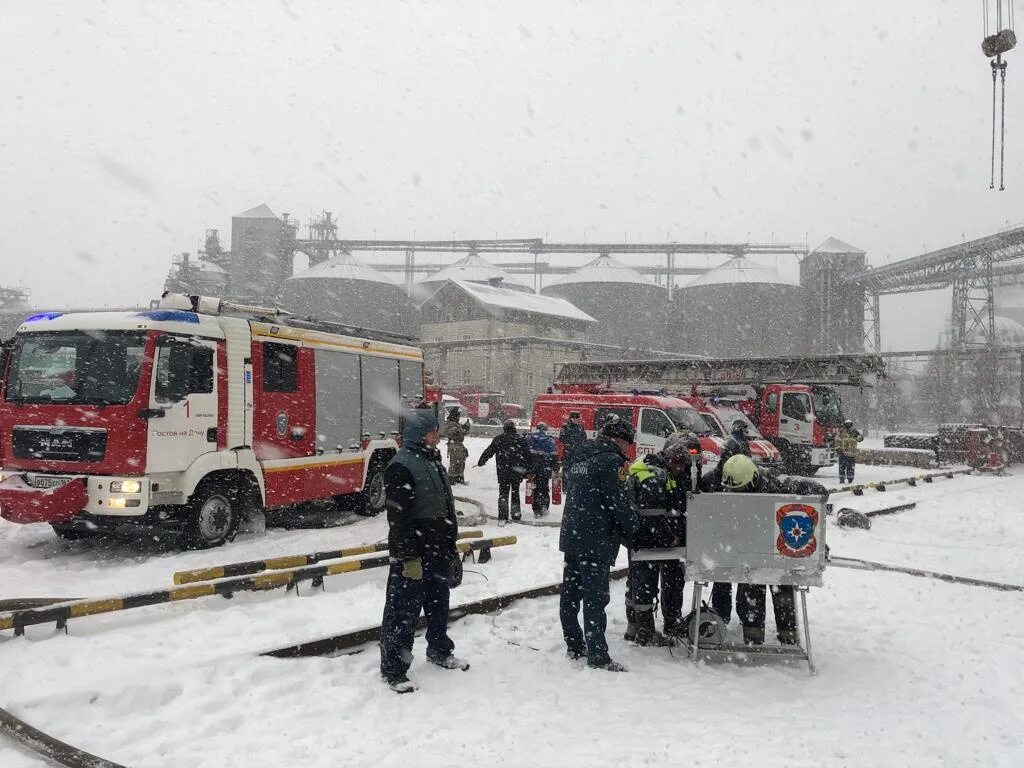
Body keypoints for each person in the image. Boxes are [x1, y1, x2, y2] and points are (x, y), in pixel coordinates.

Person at [379, 410, 467, 694]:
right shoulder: (401, 466)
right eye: (432, 432)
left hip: (437, 550)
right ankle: (394, 668)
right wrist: (408, 557)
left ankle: (439, 650)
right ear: (420, 434)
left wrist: (450, 545)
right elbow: (399, 519)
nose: (437, 436)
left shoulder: (433, 461)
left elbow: (446, 507)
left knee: (438, 605)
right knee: (402, 612)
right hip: (414, 555)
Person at [702, 454, 827, 645]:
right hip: (748, 551)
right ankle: (753, 635)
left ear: (753, 480)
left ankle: (788, 636)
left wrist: (816, 540)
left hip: (777, 551)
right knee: (750, 590)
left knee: (782, 590)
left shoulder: (774, 485)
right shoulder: (727, 485)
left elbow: (817, 494)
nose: (738, 495)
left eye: (741, 490)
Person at [559, 418, 640, 671]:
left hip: (573, 535)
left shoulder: (579, 457)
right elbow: (618, 502)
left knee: (571, 595)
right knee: (595, 598)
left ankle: (574, 644)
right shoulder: (610, 462)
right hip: (596, 539)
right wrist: (634, 527)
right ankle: (597, 654)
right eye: (628, 444)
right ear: (619, 440)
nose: (628, 450)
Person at [624, 433, 692, 646]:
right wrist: (670, 538)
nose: (681, 470)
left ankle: (652, 624)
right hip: (647, 541)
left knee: (664, 581)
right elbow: (652, 516)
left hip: (653, 541)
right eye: (679, 465)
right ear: (670, 460)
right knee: (644, 584)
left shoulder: (663, 472)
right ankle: (643, 630)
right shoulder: (653, 477)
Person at [477, 419, 532, 524]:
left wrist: (481, 461)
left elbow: (489, 451)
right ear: (514, 428)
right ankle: (515, 514)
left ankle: (503, 515)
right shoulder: (520, 439)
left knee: (503, 493)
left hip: (503, 471)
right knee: (515, 492)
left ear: (504, 428)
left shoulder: (499, 439)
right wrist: (529, 470)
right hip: (516, 471)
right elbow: (527, 455)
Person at [526, 422, 559, 517]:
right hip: (545, 468)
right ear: (545, 429)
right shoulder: (549, 440)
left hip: (533, 468)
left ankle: (536, 509)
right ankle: (544, 506)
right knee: (544, 488)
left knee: (535, 488)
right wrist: (555, 466)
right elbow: (554, 455)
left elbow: (525, 453)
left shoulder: (529, 439)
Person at [442, 407, 470, 484]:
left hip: (459, 445)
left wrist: (465, 428)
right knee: (454, 463)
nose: (459, 417)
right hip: (454, 445)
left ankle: (459, 478)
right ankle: (451, 479)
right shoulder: (450, 423)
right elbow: (451, 432)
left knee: (461, 463)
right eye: (458, 416)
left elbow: (462, 433)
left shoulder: (456, 424)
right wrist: (461, 429)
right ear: (454, 416)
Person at [835, 419, 864, 484]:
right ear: (845, 425)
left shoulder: (855, 432)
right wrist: (838, 448)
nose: (848, 426)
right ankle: (842, 480)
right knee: (842, 468)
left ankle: (850, 480)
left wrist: (860, 437)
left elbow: (860, 439)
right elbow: (837, 440)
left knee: (851, 468)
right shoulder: (841, 431)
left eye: (849, 424)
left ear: (851, 424)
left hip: (851, 454)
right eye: (847, 424)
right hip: (843, 453)